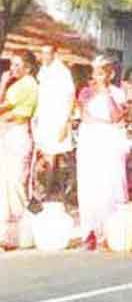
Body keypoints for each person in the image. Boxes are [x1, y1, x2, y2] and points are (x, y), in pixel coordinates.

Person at [76, 55, 128, 250]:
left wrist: (107, 95)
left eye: (100, 73)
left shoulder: (117, 93)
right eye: (94, 72)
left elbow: (116, 116)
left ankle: (109, 230)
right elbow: (85, 116)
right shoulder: (86, 93)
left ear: (110, 74)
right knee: (89, 185)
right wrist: (102, 123)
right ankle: (89, 230)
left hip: (109, 141)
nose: (96, 77)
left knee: (109, 183)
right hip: (91, 139)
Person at [0, 51, 38, 248]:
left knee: (14, 184)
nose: (12, 69)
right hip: (8, 133)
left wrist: (2, 83)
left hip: (16, 134)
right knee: (5, 184)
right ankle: (8, 233)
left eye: (17, 65)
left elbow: (2, 107)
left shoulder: (26, 85)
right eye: (12, 65)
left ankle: (21, 232)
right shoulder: (20, 85)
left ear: (27, 67)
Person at [32, 43, 75, 200]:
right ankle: (47, 189)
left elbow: (71, 97)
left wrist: (66, 122)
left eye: (47, 53)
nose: (44, 56)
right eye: (42, 53)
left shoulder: (63, 72)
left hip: (57, 119)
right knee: (46, 154)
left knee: (51, 155)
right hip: (44, 117)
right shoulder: (43, 70)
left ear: (54, 54)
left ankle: (46, 193)